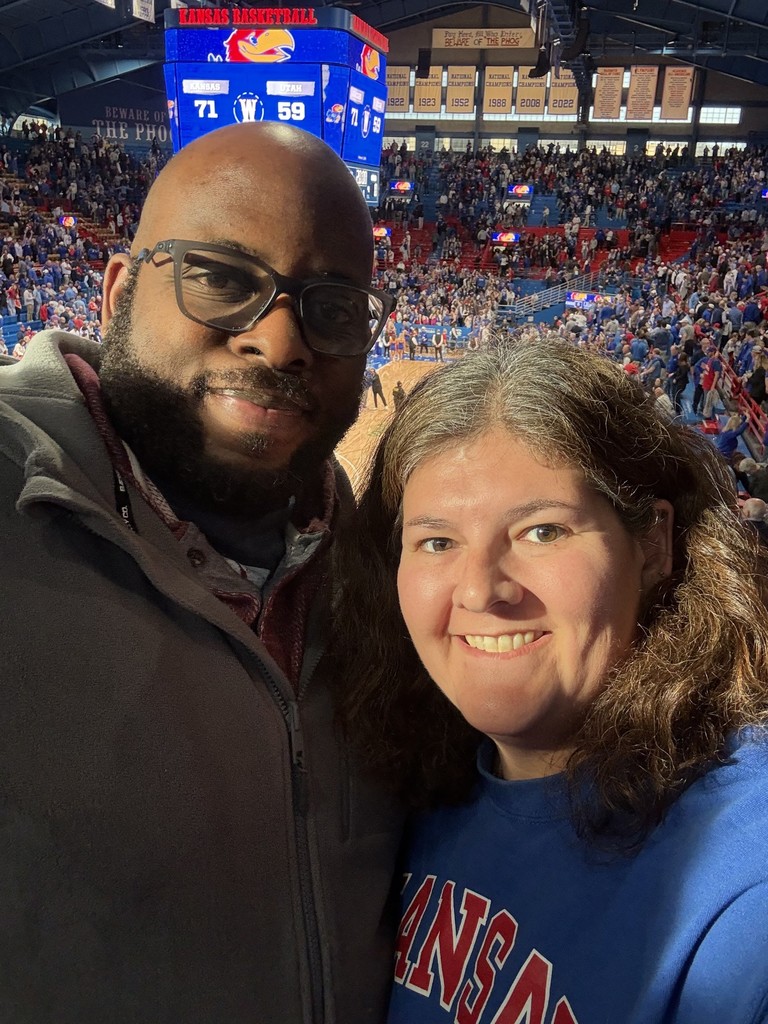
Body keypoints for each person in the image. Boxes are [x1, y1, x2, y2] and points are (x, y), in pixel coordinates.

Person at [0, 122, 402, 1023]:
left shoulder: (385, 569)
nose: (280, 341)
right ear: (117, 291)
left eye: (332, 305)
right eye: (222, 277)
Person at [336, 337, 768, 1024]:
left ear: (653, 544)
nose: (480, 591)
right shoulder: (410, 790)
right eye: (437, 542)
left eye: (542, 532)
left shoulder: (740, 882)